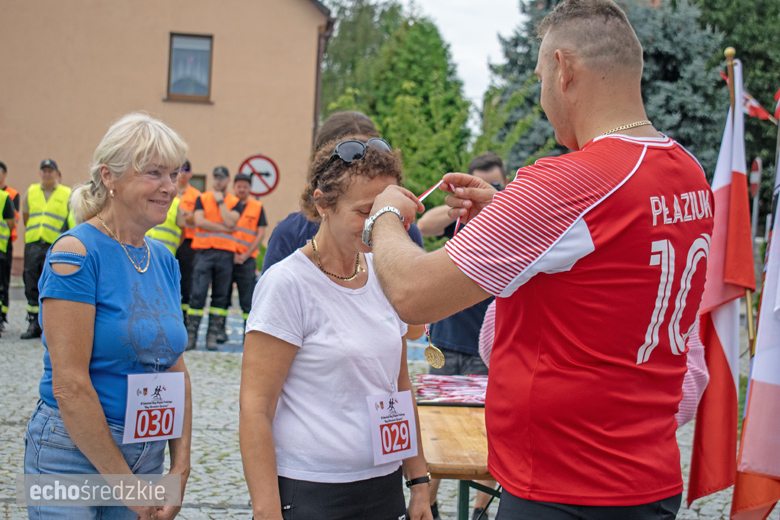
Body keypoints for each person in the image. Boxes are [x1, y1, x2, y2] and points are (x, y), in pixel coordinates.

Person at [364, 1, 715, 518]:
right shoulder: (688, 171)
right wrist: (509, 217)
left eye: (540, 78)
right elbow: (605, 272)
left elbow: (415, 295)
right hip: (647, 477)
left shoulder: (569, 181)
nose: (544, 98)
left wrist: (385, 216)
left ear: (564, 69)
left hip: (563, 486)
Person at [239, 134, 432, 520]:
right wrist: (266, 510)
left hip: (383, 481)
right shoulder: (287, 284)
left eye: (384, 210)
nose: (376, 223)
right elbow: (255, 407)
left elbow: (398, 385)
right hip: (312, 489)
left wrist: (419, 483)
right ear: (322, 204)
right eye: (364, 212)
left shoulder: (383, 273)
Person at [23, 112, 192, 519]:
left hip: (146, 450)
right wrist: (124, 484)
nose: (169, 187)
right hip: (70, 455)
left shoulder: (165, 260)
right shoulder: (76, 253)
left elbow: (173, 367)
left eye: (174, 174)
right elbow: (70, 385)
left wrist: (180, 466)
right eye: (154, 173)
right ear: (110, 177)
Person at [415, 152, 508, 520]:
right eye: (483, 184)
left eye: (497, 185)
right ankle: (429, 506)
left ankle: (479, 511)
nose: (491, 191)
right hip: (448, 341)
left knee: (486, 438)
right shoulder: (460, 219)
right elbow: (424, 225)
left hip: (487, 350)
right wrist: (461, 208)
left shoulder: (509, 221)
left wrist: (496, 205)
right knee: (436, 433)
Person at [262, 111, 424, 274]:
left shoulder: (406, 231)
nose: (366, 162)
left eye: (373, 152)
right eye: (352, 154)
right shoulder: (290, 233)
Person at [20, 159, 76, 339]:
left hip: (54, 245)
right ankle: (33, 323)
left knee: (51, 285)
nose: (46, 174)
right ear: (40, 173)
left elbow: (71, 220)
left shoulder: (67, 193)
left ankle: (50, 324)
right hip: (33, 243)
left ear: (57, 173)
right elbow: (26, 217)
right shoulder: (32, 191)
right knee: (31, 283)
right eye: (43, 171)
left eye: (50, 171)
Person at [187, 166, 240, 351]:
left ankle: (212, 336)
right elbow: (199, 221)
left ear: (227, 180)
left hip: (225, 254)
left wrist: (220, 203)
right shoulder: (202, 198)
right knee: (197, 295)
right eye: (215, 177)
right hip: (204, 252)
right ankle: (191, 336)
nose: (218, 181)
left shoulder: (235, 201)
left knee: (220, 297)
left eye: (222, 178)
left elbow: (232, 221)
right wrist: (225, 227)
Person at [225, 173, 266, 340]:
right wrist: (234, 253)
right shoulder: (227, 204)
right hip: (228, 256)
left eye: (245, 186)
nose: (242, 189)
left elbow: (261, 233)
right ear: (234, 187)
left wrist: (245, 255)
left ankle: (247, 334)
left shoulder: (257, 206)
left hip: (247, 259)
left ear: (250, 188)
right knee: (222, 296)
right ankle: (219, 332)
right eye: (239, 186)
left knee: (247, 299)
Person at [175, 160, 200, 322]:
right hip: (170, 241)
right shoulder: (169, 190)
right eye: (181, 169)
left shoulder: (196, 194)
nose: (183, 172)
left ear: (191, 173)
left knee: (186, 279)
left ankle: (183, 315)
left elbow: (195, 219)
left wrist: (187, 216)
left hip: (188, 242)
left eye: (187, 169)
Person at [0, 161, 20, 328]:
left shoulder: (11, 195)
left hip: (5, 243)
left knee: (3, 281)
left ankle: (2, 314)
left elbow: (13, 222)